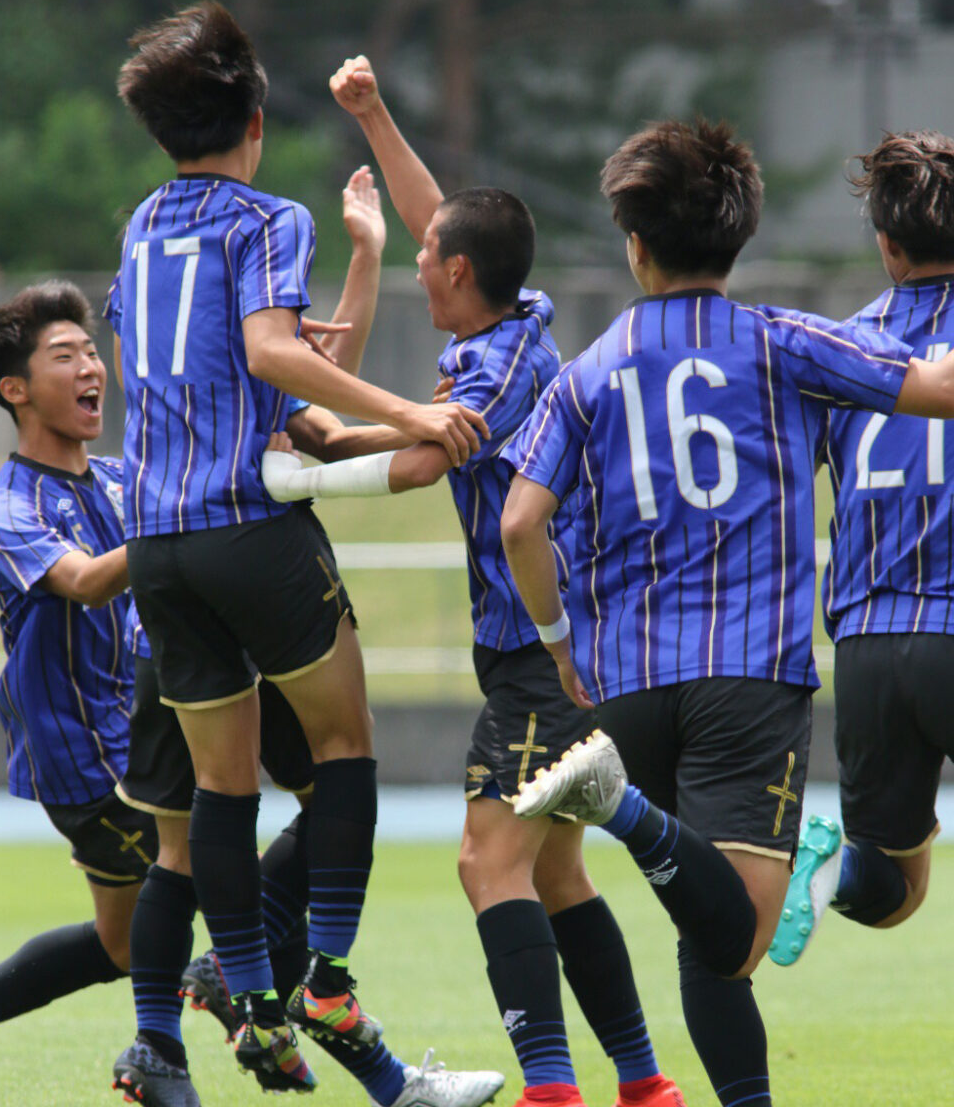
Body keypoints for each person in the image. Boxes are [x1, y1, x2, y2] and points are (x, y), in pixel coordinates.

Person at [496, 119, 954, 1107]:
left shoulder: (586, 374)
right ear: (741, 233)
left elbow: (519, 523)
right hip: (748, 673)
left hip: (624, 684)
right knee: (736, 934)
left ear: (635, 244)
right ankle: (624, 813)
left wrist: (555, 636)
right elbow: (933, 385)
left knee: (711, 943)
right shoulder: (784, 342)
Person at [261, 54, 686, 1107]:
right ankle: (642, 1083)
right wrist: (372, 116)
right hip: (556, 644)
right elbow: (440, 221)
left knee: (484, 867)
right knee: (553, 873)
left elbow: (413, 463)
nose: (418, 261)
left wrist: (297, 462)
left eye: (428, 259)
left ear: (455, 277)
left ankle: (550, 1089)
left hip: (545, 652)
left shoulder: (495, 368)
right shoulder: (517, 313)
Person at [108, 0, 489, 1093]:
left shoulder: (141, 227)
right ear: (255, 121)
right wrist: (416, 416)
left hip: (159, 545)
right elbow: (275, 358)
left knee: (224, 790)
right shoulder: (265, 219)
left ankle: (254, 1003)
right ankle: (324, 976)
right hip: (247, 530)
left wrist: (359, 275)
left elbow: (251, 377)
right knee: (344, 754)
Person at [769, 129, 954, 966]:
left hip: (872, 642)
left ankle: (813, 870)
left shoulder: (839, 345)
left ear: (886, 247)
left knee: (892, 894)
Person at [0, 281, 157, 1033]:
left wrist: (367, 261)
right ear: (15, 389)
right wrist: (176, 526)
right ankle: (383, 1072)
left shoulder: (117, 480)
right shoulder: (10, 505)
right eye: (65, 355)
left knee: (120, 946)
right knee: (227, 884)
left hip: (137, 740)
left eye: (91, 351)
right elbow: (83, 583)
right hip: (86, 764)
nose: (90, 367)